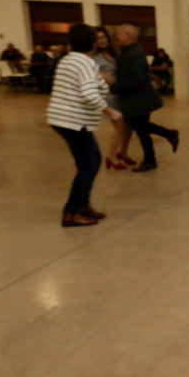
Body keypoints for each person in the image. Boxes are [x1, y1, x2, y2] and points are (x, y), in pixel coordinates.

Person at [46, 24, 123, 227]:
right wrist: (111, 111)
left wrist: (101, 82)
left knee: (89, 163)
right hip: (72, 121)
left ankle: (82, 206)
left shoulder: (68, 59)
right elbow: (90, 95)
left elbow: (89, 86)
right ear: (93, 43)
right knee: (89, 165)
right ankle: (71, 212)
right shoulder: (86, 63)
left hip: (61, 119)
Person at [111, 24, 179, 172]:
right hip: (138, 99)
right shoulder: (130, 51)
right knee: (141, 128)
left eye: (118, 34)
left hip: (140, 100)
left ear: (129, 35)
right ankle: (165, 138)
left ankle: (152, 158)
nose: (116, 36)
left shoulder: (133, 53)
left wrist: (114, 86)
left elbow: (137, 78)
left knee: (141, 129)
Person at [92, 27, 136, 170]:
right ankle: (112, 157)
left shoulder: (114, 52)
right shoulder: (93, 57)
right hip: (108, 94)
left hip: (121, 92)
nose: (102, 40)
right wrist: (99, 76)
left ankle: (123, 152)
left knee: (128, 125)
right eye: (98, 38)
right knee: (118, 125)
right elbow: (87, 75)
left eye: (103, 37)